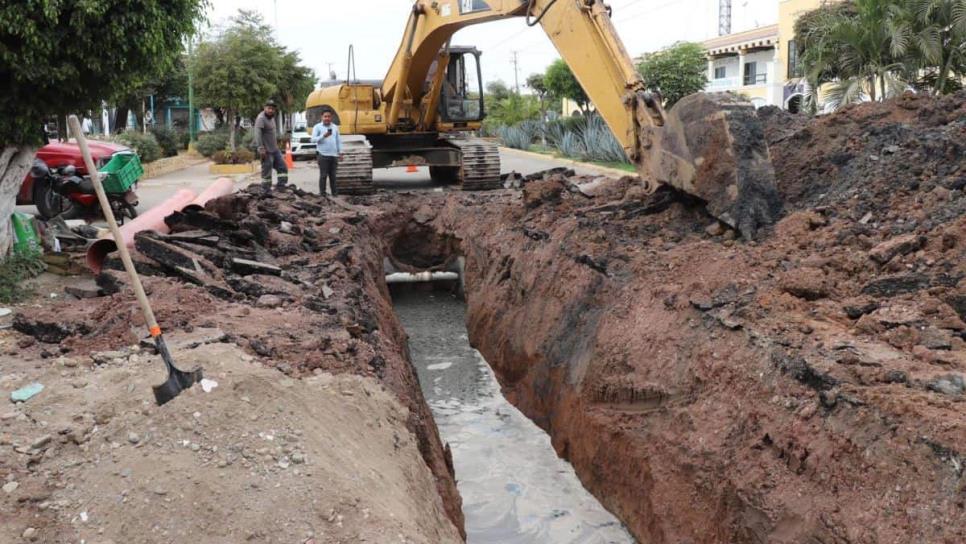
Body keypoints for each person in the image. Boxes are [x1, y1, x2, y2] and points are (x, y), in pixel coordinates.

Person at [254, 99, 288, 191]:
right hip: (266, 151)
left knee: (282, 167)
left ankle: (281, 186)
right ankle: (266, 190)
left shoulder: (272, 117)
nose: (271, 110)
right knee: (267, 172)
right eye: (269, 108)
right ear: (264, 108)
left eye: (272, 109)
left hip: (275, 150)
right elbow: (257, 134)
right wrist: (261, 148)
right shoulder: (261, 118)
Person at [311, 111, 342, 196]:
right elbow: (312, 139)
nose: (327, 118)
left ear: (331, 117)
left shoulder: (335, 127)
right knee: (323, 175)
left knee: (333, 176)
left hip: (334, 155)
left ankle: (335, 194)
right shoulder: (317, 127)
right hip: (322, 154)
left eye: (329, 116)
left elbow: (338, 140)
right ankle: (323, 194)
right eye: (325, 116)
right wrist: (323, 136)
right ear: (322, 117)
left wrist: (340, 152)